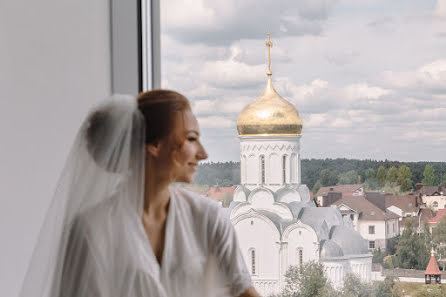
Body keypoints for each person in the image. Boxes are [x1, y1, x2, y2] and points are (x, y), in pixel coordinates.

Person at [19, 90, 261, 297]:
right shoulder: (92, 229)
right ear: (154, 146)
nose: (203, 154)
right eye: (191, 139)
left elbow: (243, 291)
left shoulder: (208, 216)